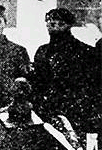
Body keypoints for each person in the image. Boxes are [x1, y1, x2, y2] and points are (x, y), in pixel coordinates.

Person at [31, 8, 100, 136]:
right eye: (51, 24)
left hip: (76, 114)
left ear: (69, 26)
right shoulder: (42, 52)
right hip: (49, 113)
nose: (55, 28)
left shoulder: (85, 52)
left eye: (61, 24)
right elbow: (37, 83)